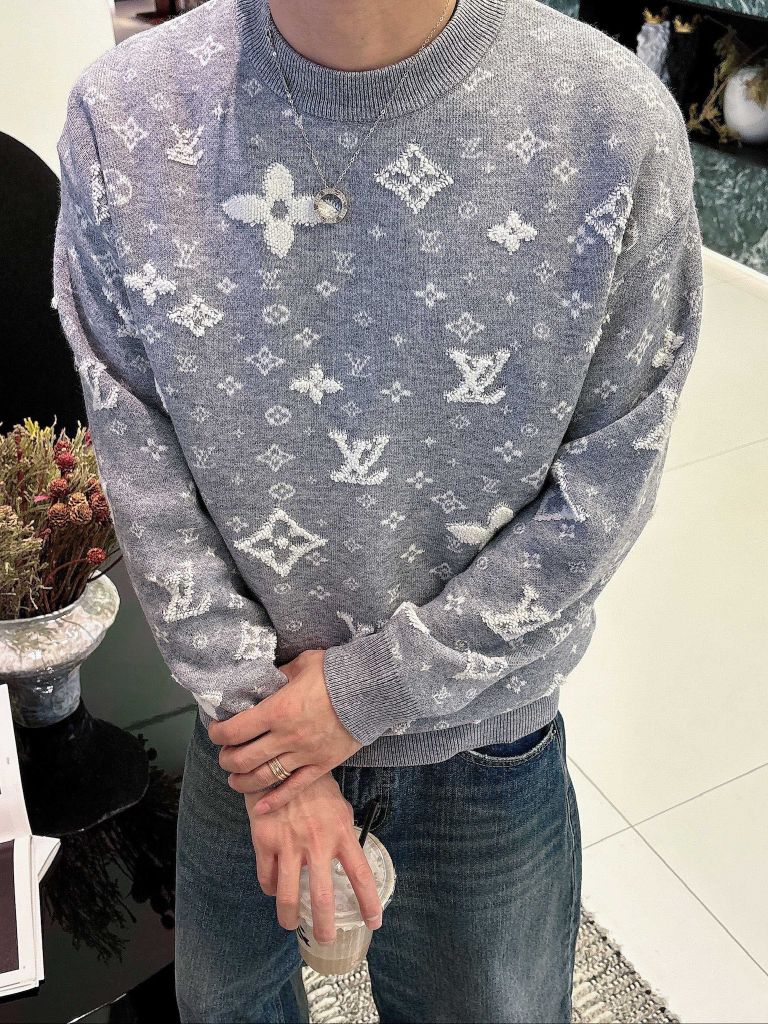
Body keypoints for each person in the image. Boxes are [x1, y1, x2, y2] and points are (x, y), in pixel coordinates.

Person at [52, 0, 704, 1020]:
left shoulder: (611, 125)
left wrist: (366, 692)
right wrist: (268, 737)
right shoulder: (126, 117)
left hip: (482, 738)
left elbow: (610, 479)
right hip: (244, 731)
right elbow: (138, 461)